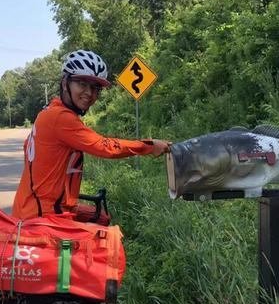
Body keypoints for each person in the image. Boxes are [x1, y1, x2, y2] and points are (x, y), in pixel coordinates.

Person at [12, 49, 171, 220]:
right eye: (82, 84)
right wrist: (148, 146)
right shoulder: (60, 117)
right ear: (65, 83)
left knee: (102, 219)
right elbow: (105, 147)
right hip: (42, 215)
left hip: (37, 205)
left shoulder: (49, 111)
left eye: (95, 88)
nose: (89, 93)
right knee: (107, 243)